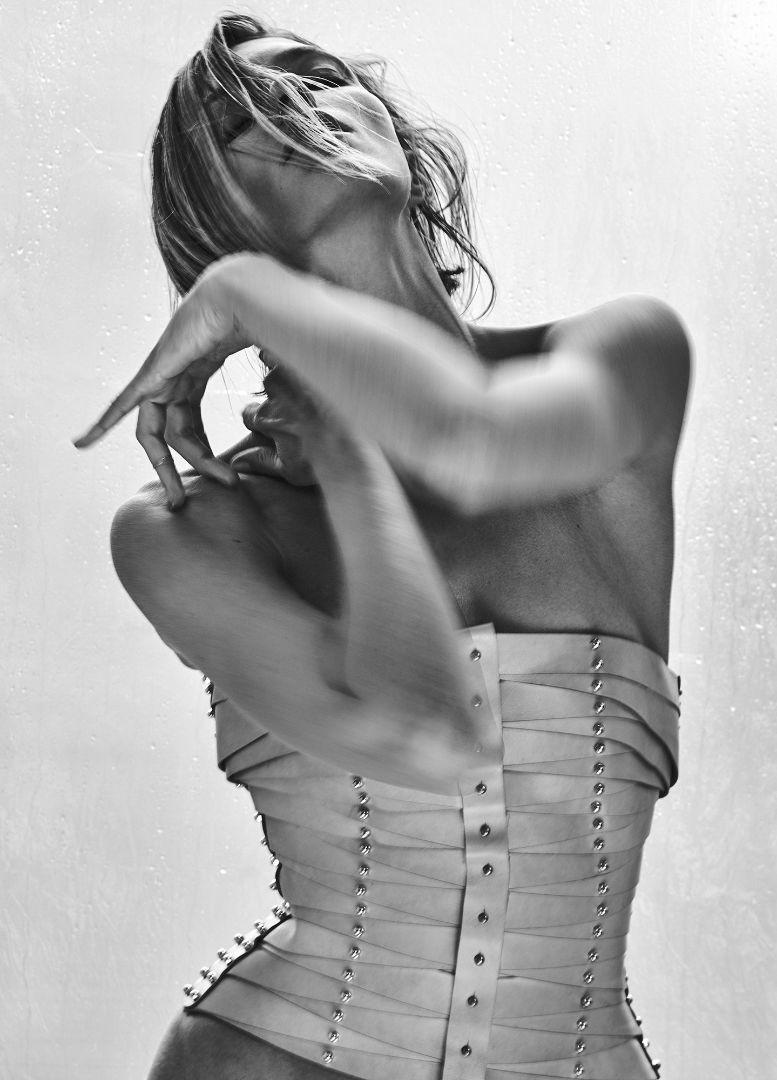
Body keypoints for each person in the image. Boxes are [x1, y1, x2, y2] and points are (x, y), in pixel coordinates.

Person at [72, 12, 691, 1080]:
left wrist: (255, 302)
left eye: (315, 76)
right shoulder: (189, 525)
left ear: (395, 131)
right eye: (237, 121)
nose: (293, 107)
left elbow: (474, 446)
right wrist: (346, 450)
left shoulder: (623, 357)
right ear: (210, 227)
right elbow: (420, 737)